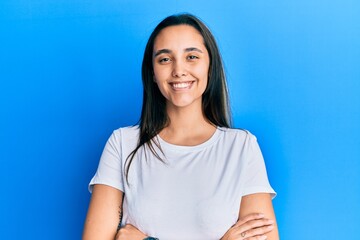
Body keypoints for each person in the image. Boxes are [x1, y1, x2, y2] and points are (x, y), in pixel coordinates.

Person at [83, 13, 279, 240]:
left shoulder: (241, 147)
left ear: (210, 67)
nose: (179, 70)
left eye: (192, 57)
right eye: (165, 59)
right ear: (153, 73)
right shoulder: (122, 144)